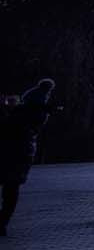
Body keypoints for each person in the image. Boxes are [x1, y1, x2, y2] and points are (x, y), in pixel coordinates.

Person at [0, 78, 56, 236]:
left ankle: (2, 221)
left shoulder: (22, 112)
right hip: (19, 156)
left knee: (10, 190)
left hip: (15, 155)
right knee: (11, 191)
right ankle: (2, 221)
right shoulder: (34, 112)